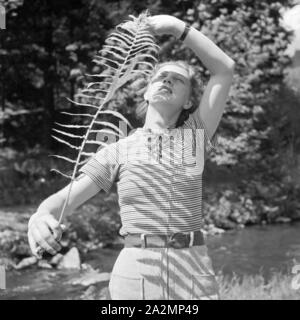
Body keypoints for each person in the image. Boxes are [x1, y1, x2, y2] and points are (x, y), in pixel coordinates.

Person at [27, 14, 235, 300]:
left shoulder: (195, 136)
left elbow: (224, 69)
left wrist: (176, 27)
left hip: (193, 268)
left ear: (189, 101)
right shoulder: (116, 150)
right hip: (136, 271)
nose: (167, 81)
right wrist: (41, 216)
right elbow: (61, 202)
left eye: (177, 80)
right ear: (147, 93)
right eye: (161, 76)